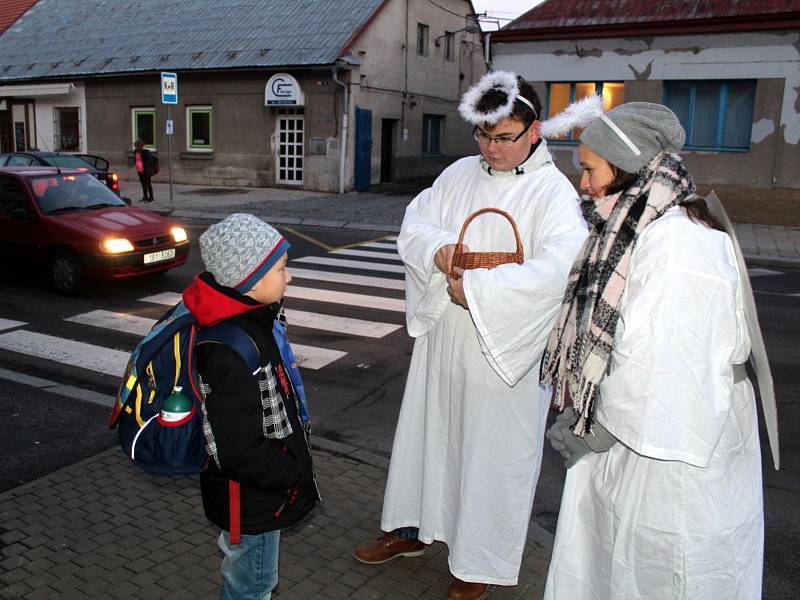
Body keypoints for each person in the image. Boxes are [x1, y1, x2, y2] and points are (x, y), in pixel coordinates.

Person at [353, 71, 588, 600]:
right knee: (426, 435)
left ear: (534, 131)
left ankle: (478, 561)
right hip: (445, 342)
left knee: (490, 456)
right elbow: (415, 224)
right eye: (483, 135)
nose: (492, 147)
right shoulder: (459, 173)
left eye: (504, 136)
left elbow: (562, 269)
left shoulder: (553, 192)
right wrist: (437, 249)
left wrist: (478, 289)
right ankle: (410, 530)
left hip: (506, 351)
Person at [540, 102, 765, 599]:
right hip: (637, 447)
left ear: (626, 168)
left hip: (675, 459)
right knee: (619, 568)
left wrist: (596, 428)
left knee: (667, 575)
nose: (583, 184)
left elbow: (669, 370)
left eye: (590, 169)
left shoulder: (680, 248)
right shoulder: (638, 230)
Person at [182, 213, 319, 600]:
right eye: (281, 268)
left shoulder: (253, 321)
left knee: (252, 582)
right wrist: (292, 473)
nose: (288, 277)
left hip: (256, 495)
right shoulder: (231, 349)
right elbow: (238, 449)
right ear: (251, 279)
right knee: (252, 588)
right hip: (252, 501)